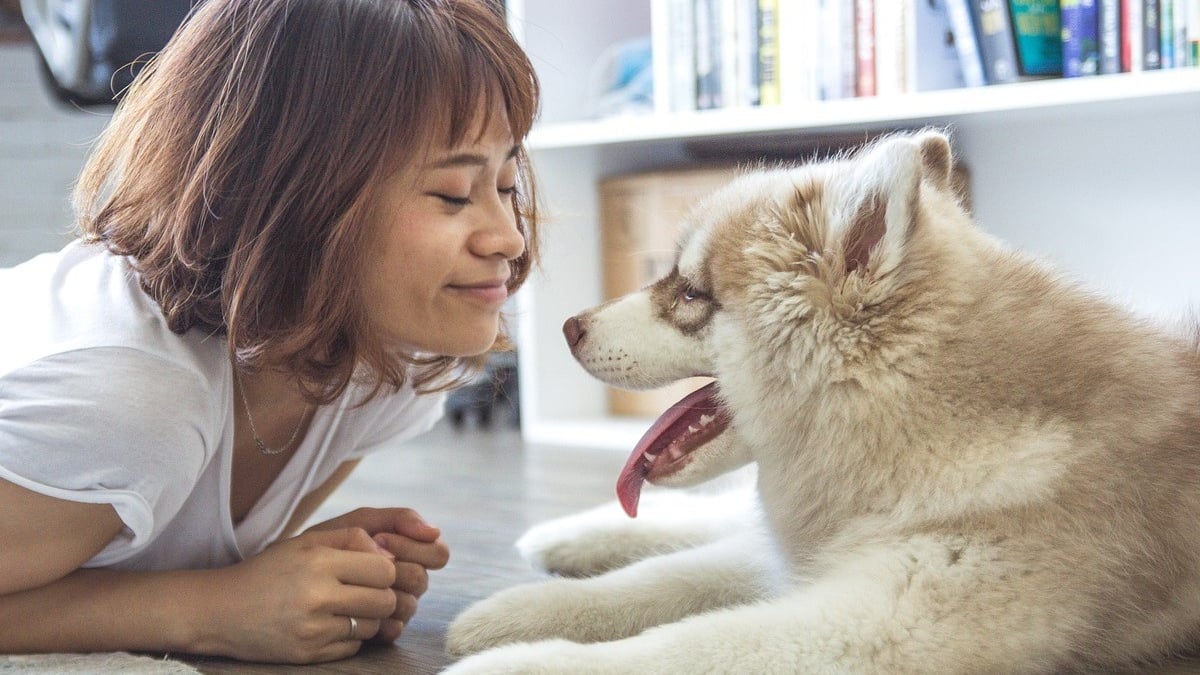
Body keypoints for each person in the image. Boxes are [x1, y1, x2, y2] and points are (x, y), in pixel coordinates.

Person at [0, 0, 539, 664]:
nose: (509, 236)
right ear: (295, 198)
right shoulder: (132, 398)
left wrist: (307, 575)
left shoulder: (386, 356)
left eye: (509, 183)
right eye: (454, 192)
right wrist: (208, 609)